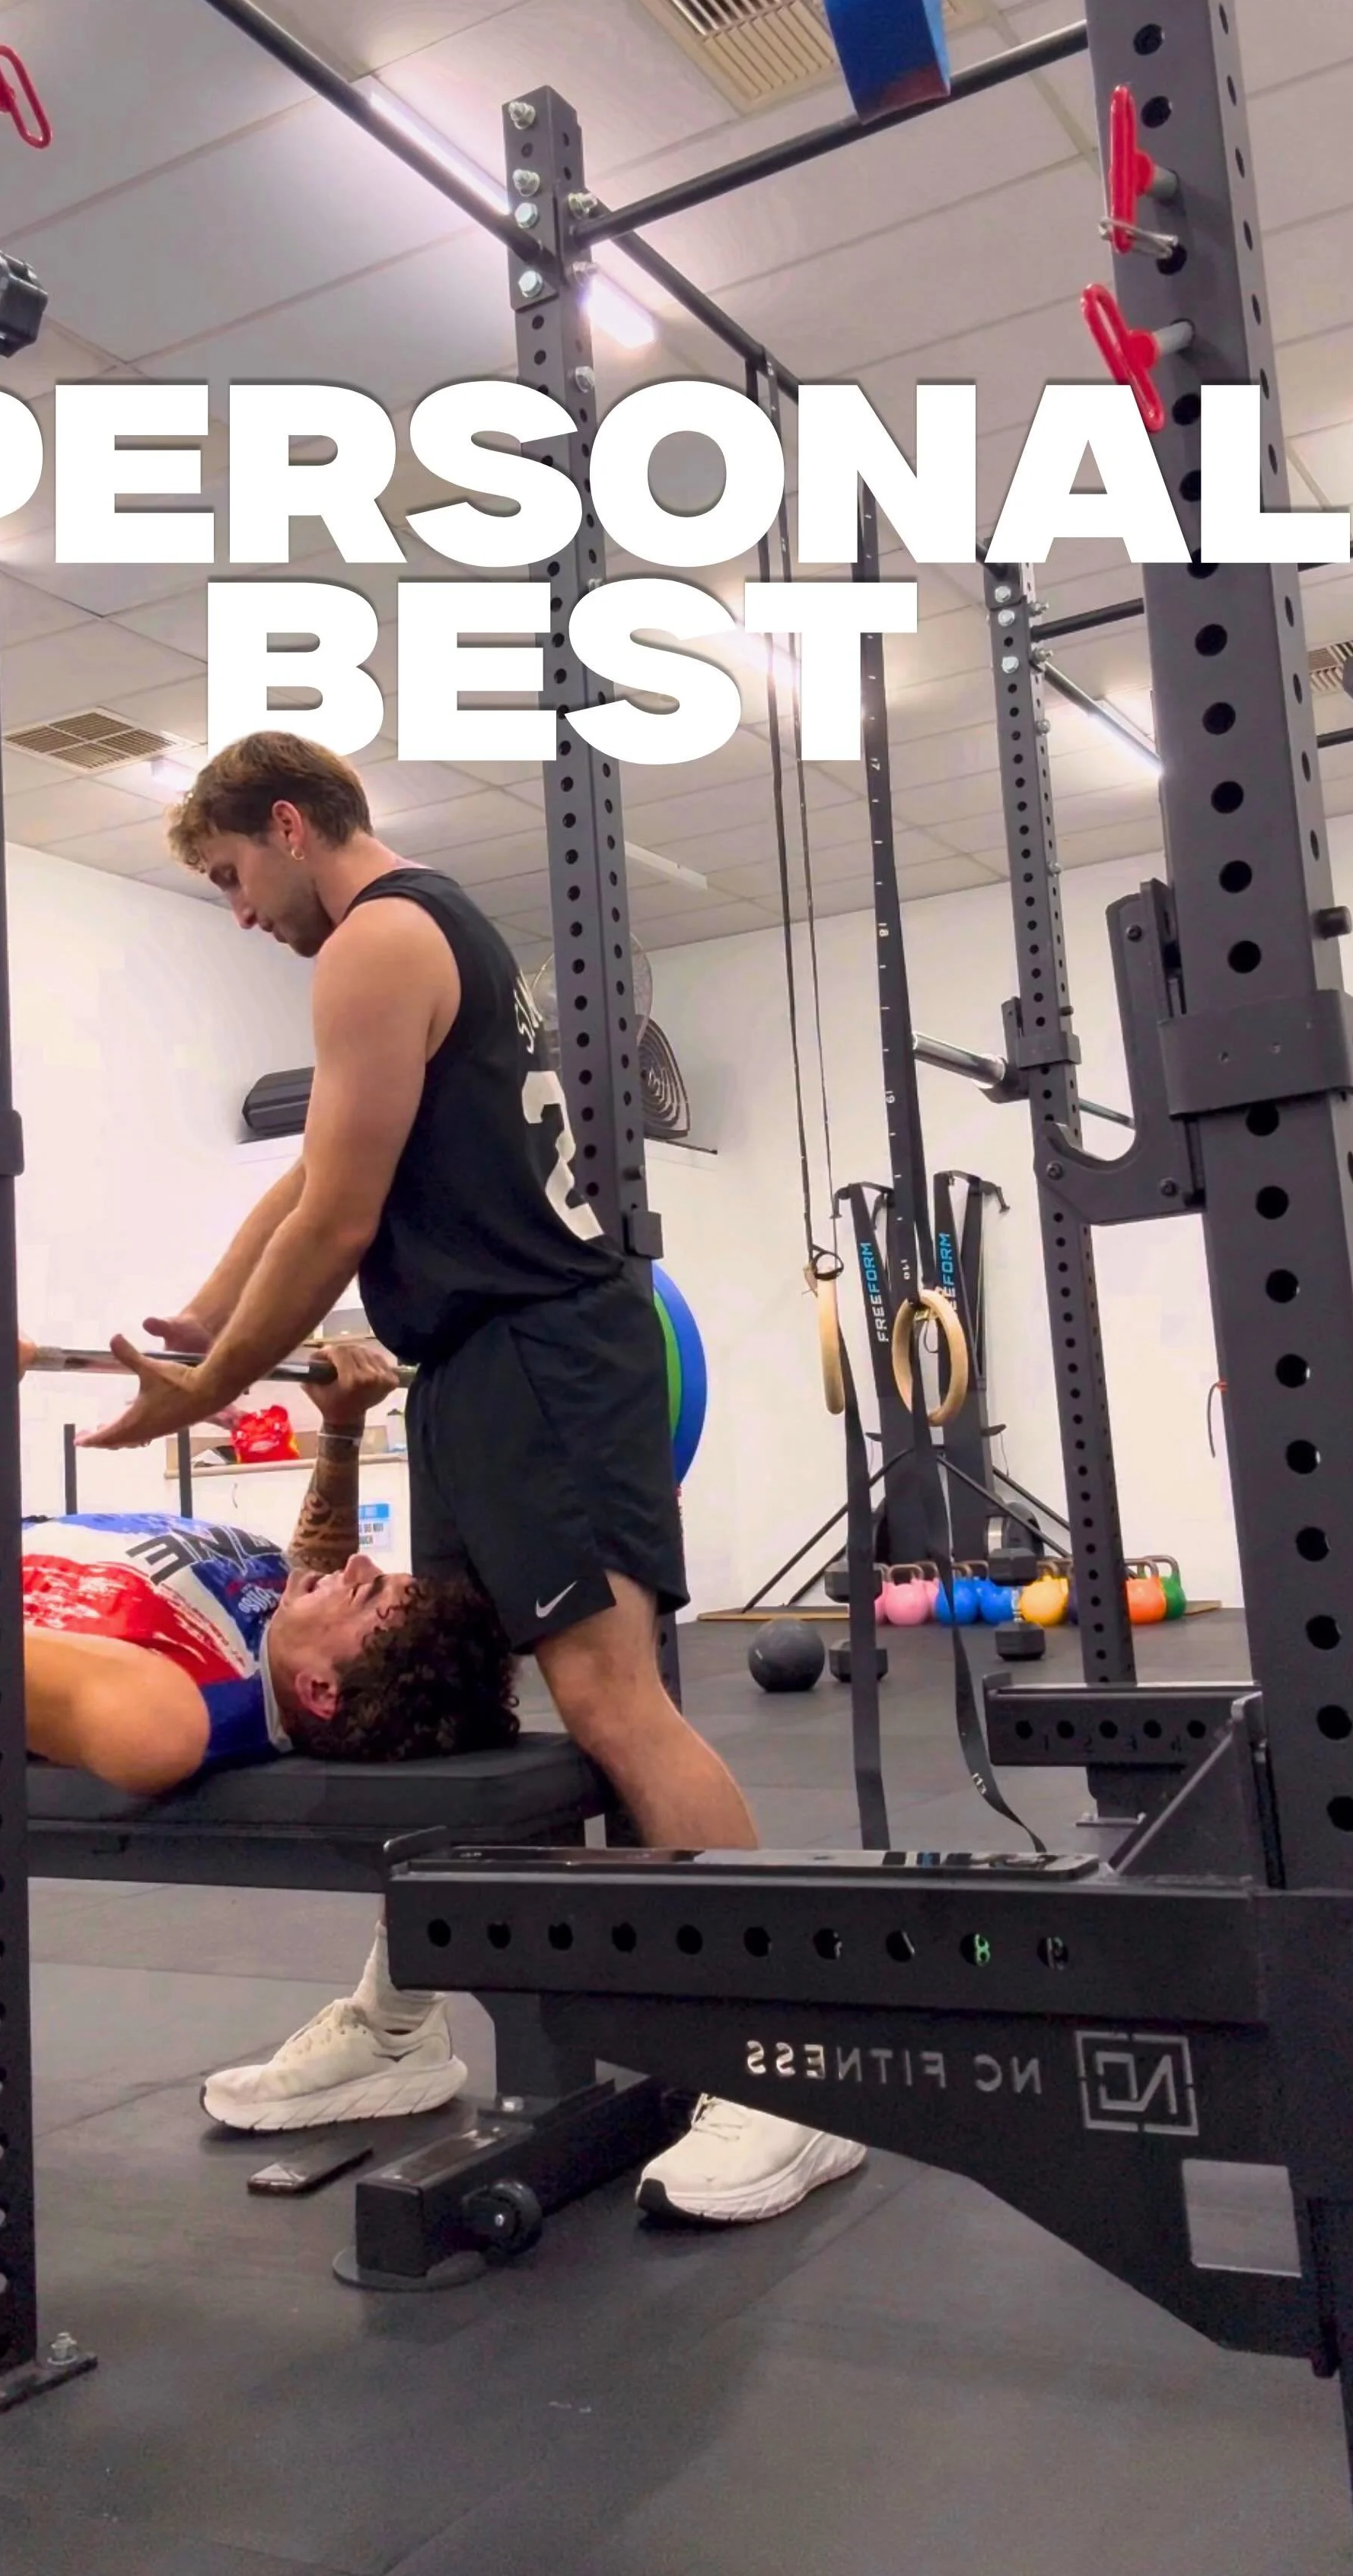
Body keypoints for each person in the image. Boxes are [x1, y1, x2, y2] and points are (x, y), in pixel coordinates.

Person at [84, 733, 863, 2225]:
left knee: (613, 1702)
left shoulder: (376, 942)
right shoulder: (421, 933)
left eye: (233, 876)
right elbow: (304, 1180)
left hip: (542, 1359)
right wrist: (205, 1312)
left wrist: (216, 1383)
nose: (237, 912)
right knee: (443, 1710)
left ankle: (790, 2065)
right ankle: (397, 2026)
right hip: (471, 1368)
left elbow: (338, 1224)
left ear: (291, 825)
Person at [0, 1338, 517, 1793]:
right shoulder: (276, 1623)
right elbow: (315, 1560)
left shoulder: (167, 1720)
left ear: (320, 1691)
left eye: (368, 1594)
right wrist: (341, 1429)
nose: (357, 1565)